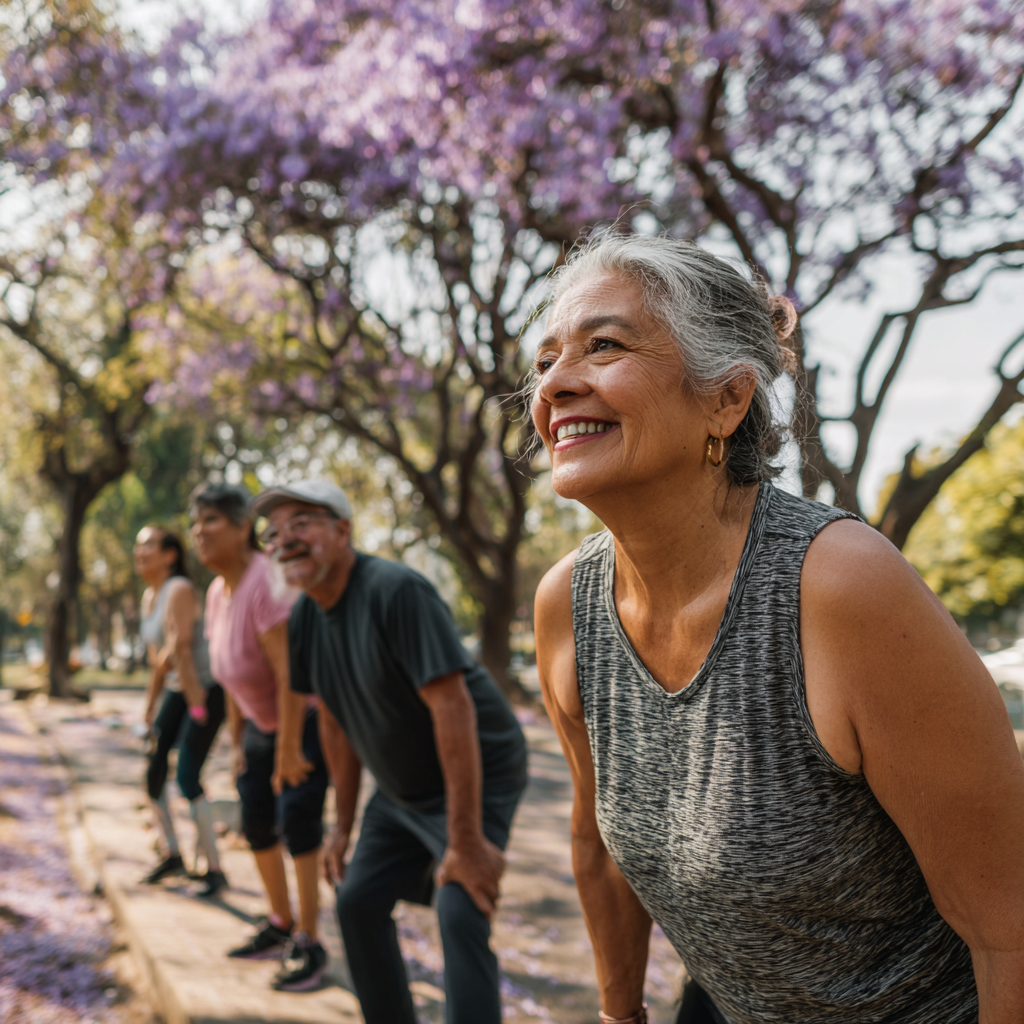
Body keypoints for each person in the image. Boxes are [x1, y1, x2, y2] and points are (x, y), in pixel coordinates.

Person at [531, 233, 1024, 1024]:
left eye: (603, 345)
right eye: (546, 360)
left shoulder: (839, 587)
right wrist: (620, 1014)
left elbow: (1011, 930)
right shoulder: (568, 606)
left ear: (725, 400)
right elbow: (597, 842)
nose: (556, 382)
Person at [250, 480, 528, 1024]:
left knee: (460, 902)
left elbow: (454, 710)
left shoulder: (396, 591)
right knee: (356, 900)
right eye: (272, 531)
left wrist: (467, 841)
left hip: (478, 767)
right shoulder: (305, 615)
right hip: (400, 790)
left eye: (302, 522)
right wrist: (343, 826)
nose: (285, 539)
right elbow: (333, 720)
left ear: (342, 530)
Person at [190, 482, 330, 992]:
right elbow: (229, 676)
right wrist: (237, 744)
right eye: (195, 523)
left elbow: (291, 672)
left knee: (298, 821)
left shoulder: (265, 580)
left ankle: (311, 941)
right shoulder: (215, 592)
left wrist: (289, 748)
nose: (199, 532)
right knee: (256, 823)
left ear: (242, 527)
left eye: (211, 521)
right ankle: (279, 922)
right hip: (258, 727)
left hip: (304, 721)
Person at [135, 524, 227, 897]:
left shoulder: (180, 589)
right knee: (154, 770)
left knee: (188, 774)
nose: (140, 553)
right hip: (177, 691)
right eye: (138, 547)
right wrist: (149, 709)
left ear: (170, 554)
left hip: (204, 691)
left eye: (149, 546)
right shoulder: (149, 596)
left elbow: (182, 651)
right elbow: (160, 660)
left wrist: (197, 708)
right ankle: (172, 852)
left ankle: (215, 868)